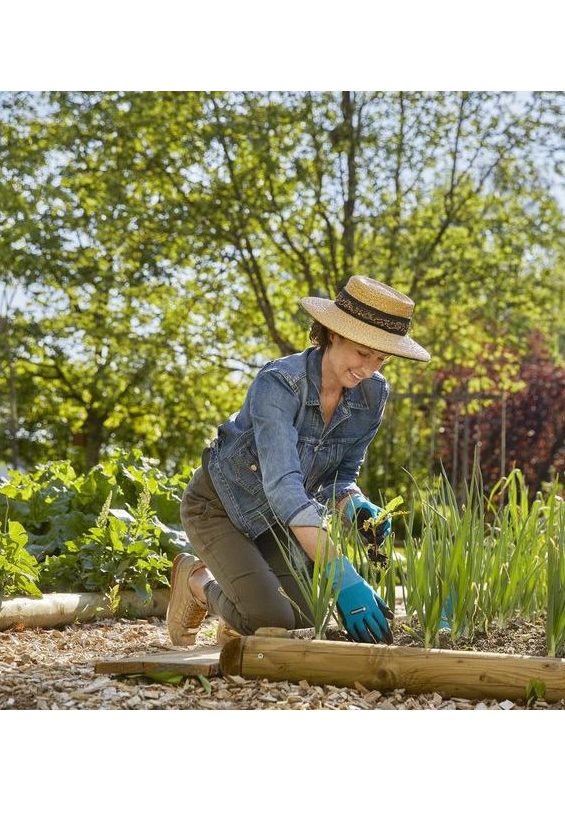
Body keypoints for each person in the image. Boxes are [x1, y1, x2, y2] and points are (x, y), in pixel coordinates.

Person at [165, 275, 431, 647]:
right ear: (333, 333)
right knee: (269, 619)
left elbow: (341, 475)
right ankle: (196, 582)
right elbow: (286, 489)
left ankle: (239, 606)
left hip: (275, 522)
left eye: (381, 358)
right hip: (219, 506)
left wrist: (355, 505)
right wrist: (344, 575)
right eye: (362, 353)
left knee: (307, 615)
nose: (369, 369)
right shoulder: (279, 384)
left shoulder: (372, 394)